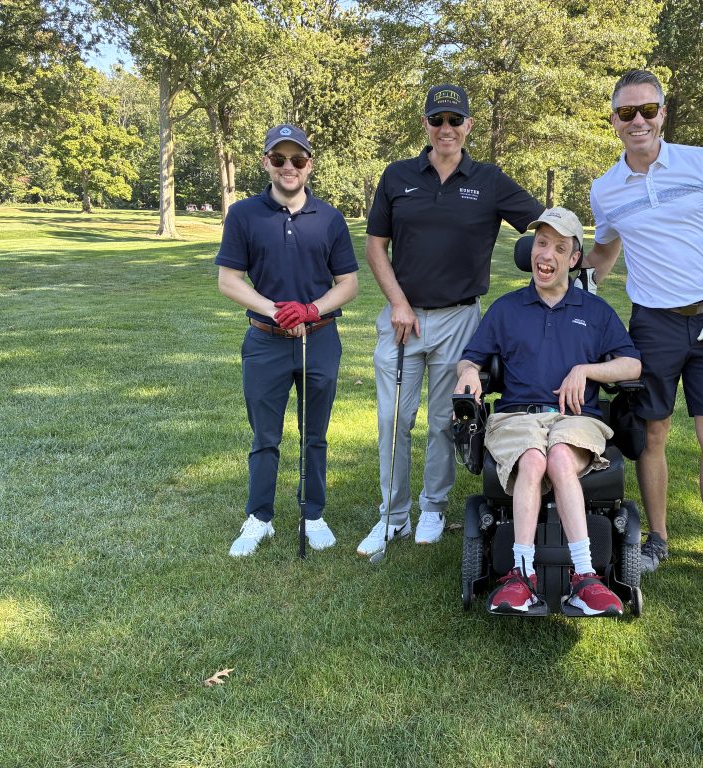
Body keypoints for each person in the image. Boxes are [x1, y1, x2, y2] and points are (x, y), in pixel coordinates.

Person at [586, 69, 703, 592]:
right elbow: (606, 249)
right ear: (614, 121)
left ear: (663, 113)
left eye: (647, 110)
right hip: (653, 324)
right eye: (626, 113)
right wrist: (576, 281)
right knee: (653, 432)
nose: (637, 121)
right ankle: (657, 538)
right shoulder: (606, 188)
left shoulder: (701, 163)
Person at [358, 84, 544, 557]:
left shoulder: (488, 179)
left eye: (454, 120)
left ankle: (433, 508)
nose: (446, 128)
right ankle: (392, 515)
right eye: (437, 120)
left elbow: (544, 225)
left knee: (445, 420)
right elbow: (375, 245)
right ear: (425, 124)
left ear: (468, 126)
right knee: (392, 419)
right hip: (402, 319)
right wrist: (398, 301)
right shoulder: (397, 176)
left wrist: (589, 243)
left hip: (459, 319)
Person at [455, 207, 642, 616]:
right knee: (534, 458)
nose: (547, 255)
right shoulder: (506, 308)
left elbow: (632, 365)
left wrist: (586, 369)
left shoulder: (594, 312)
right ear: (530, 250)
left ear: (574, 259)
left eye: (559, 248)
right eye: (541, 244)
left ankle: (585, 578)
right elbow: (471, 360)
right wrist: (467, 375)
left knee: (557, 455)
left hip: (575, 419)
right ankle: (521, 576)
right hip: (516, 417)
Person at [216, 124, 359, 557]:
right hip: (265, 340)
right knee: (265, 436)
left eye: (297, 159)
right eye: (279, 159)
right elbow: (228, 280)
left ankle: (313, 514)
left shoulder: (331, 218)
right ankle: (259, 518)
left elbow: (348, 283)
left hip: (319, 338)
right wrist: (274, 308)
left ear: (309, 164)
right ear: (266, 163)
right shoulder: (244, 214)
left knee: (315, 434)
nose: (288, 167)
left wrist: (314, 308)